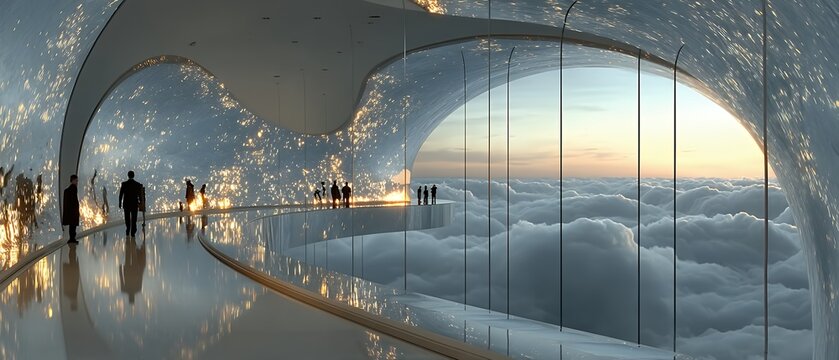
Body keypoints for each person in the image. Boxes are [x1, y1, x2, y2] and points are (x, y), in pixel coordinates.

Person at [119, 171, 143, 237]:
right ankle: (133, 232)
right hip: (134, 204)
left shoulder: (124, 184)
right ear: (134, 175)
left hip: (126, 204)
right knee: (134, 218)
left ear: (128, 175)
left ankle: (127, 230)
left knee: (127, 218)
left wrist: (119, 202)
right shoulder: (137, 184)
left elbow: (121, 194)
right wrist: (141, 203)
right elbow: (140, 195)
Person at [62, 175, 80, 243]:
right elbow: (74, 200)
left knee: (72, 225)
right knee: (73, 225)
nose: (77, 182)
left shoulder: (69, 189)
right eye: (76, 180)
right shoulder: (73, 189)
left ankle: (72, 238)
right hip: (73, 211)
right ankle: (72, 238)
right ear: (72, 180)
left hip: (71, 211)